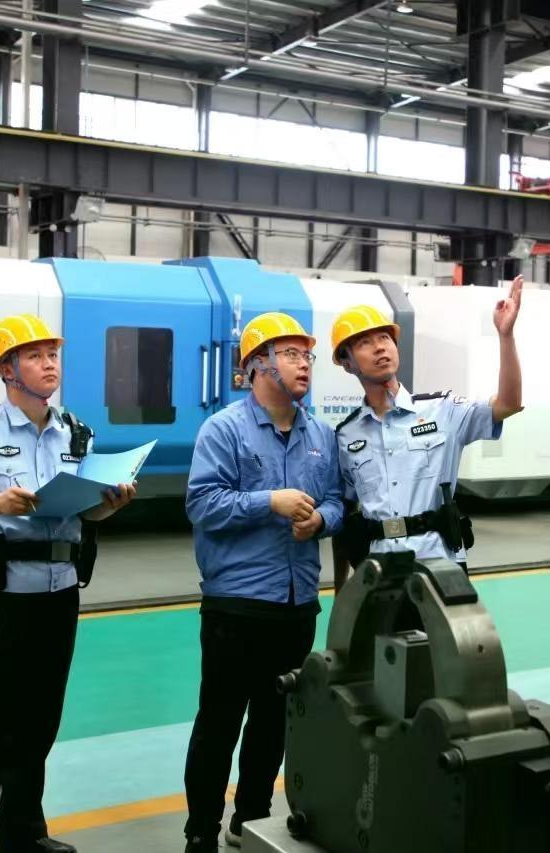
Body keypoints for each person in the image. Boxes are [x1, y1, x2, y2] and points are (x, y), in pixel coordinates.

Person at [0, 314, 136, 853]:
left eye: (53, 355)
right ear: (7, 369)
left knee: (39, 720)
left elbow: (86, 514)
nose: (50, 365)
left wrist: (110, 504)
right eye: (35, 356)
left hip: (58, 597)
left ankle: (23, 834)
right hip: (0, 600)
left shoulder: (76, 432)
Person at [183, 312, 343, 852]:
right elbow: (203, 505)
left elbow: (337, 501)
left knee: (275, 722)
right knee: (220, 722)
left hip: (296, 603)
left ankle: (250, 819)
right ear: (257, 365)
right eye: (291, 354)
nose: (304, 364)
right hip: (236, 605)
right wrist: (268, 501)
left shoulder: (320, 434)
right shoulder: (223, 430)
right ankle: (201, 830)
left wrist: (321, 521)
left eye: (307, 355)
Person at [330, 277, 524, 584]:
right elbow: (345, 515)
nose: (379, 347)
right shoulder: (346, 435)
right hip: (378, 572)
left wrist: (506, 335)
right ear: (347, 362)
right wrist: (343, 591)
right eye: (364, 343)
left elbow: (508, 404)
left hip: (439, 565)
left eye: (385, 338)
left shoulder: (443, 411)